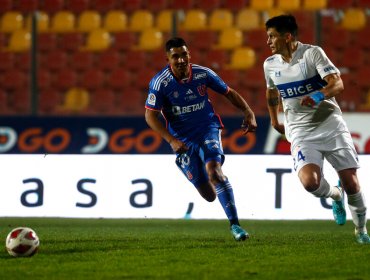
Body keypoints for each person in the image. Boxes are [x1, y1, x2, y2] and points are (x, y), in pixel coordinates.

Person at [263, 14, 369, 244]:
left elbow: (337, 83)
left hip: (329, 124)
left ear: (287, 36)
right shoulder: (270, 65)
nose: (268, 42)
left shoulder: (312, 54)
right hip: (300, 131)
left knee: (352, 182)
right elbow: (271, 92)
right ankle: (335, 195)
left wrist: (318, 95)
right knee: (310, 183)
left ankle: (360, 230)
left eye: (272, 36)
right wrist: (273, 119)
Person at [145, 37, 257, 241]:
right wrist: (171, 140)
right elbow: (150, 115)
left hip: (208, 128)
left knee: (214, 172)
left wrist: (248, 111)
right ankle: (195, 170)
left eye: (183, 54)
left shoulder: (203, 73)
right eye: (175, 56)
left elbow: (228, 92)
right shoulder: (160, 83)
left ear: (189, 55)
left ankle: (235, 226)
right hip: (183, 140)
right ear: (168, 58)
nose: (180, 60)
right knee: (209, 195)